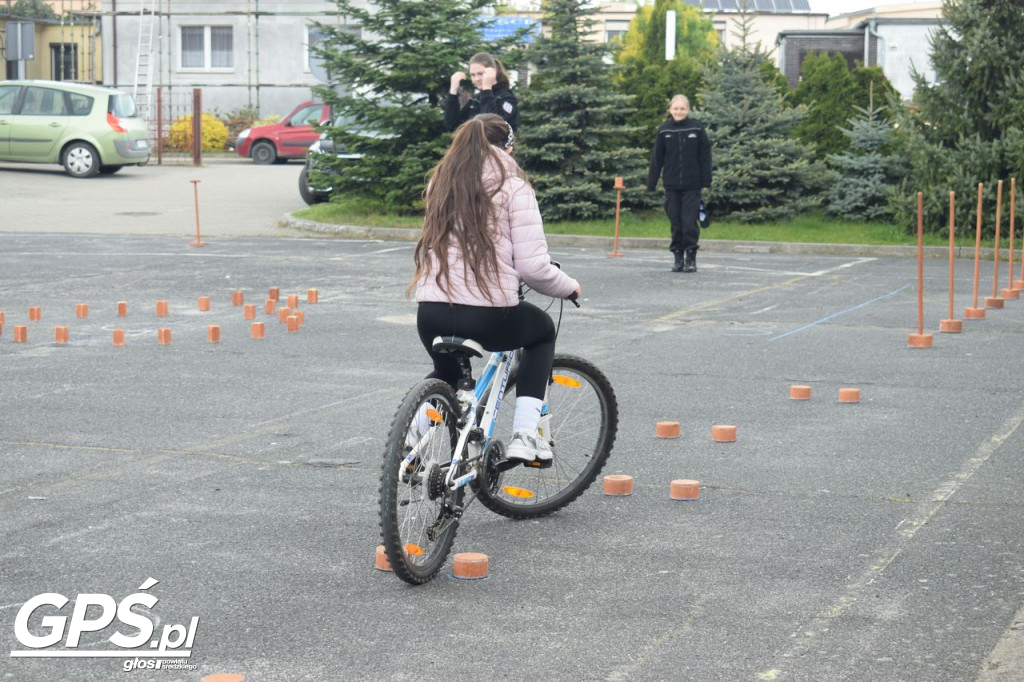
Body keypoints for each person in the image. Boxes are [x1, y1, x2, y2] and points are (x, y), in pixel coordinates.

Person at [410, 114, 580, 463]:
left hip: (431, 312)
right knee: (542, 332)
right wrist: (568, 287)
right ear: (509, 149)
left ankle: (409, 444)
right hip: (487, 314)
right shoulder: (515, 187)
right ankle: (524, 436)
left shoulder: (440, 183)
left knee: (447, 374)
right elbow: (533, 268)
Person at [646, 94, 712, 273]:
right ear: (670, 110)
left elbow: (705, 155)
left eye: (682, 108)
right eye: (675, 108)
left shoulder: (697, 128)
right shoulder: (664, 130)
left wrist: (706, 180)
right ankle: (677, 257)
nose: (679, 111)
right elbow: (656, 159)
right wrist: (651, 183)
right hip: (672, 185)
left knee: (689, 222)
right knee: (676, 223)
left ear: (688, 110)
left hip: (692, 185)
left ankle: (691, 257)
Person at [444, 53, 519, 134]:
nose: (476, 79)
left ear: (493, 72)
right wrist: (453, 92)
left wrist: (487, 88)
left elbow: (491, 127)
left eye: (480, 74)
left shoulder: (507, 98)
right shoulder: (476, 99)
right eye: (473, 75)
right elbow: (453, 126)